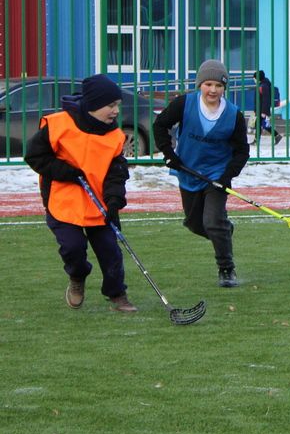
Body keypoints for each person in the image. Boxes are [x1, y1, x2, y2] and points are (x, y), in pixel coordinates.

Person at [23, 74, 137, 312]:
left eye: (117, 105)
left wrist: (114, 199)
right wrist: (67, 171)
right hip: (64, 201)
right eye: (111, 105)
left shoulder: (114, 136)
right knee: (73, 248)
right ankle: (77, 277)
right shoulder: (58, 124)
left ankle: (117, 294)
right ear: (94, 104)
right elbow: (35, 157)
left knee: (111, 252)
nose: (116, 111)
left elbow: (116, 172)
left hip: (99, 203)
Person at [153, 59, 250, 288]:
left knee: (213, 221)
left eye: (218, 85)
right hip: (188, 172)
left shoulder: (234, 115)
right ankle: (224, 232)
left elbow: (242, 151)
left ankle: (226, 269)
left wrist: (226, 177)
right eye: (208, 84)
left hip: (216, 176)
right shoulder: (184, 104)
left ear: (224, 88)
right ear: (200, 85)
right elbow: (160, 125)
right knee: (195, 224)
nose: (213, 90)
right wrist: (169, 154)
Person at [254, 69, 283, 146]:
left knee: (263, 125)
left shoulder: (264, 86)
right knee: (260, 124)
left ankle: (276, 136)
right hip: (260, 109)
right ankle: (276, 136)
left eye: (254, 78)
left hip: (263, 110)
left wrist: (264, 112)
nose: (254, 79)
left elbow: (266, 100)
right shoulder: (262, 85)